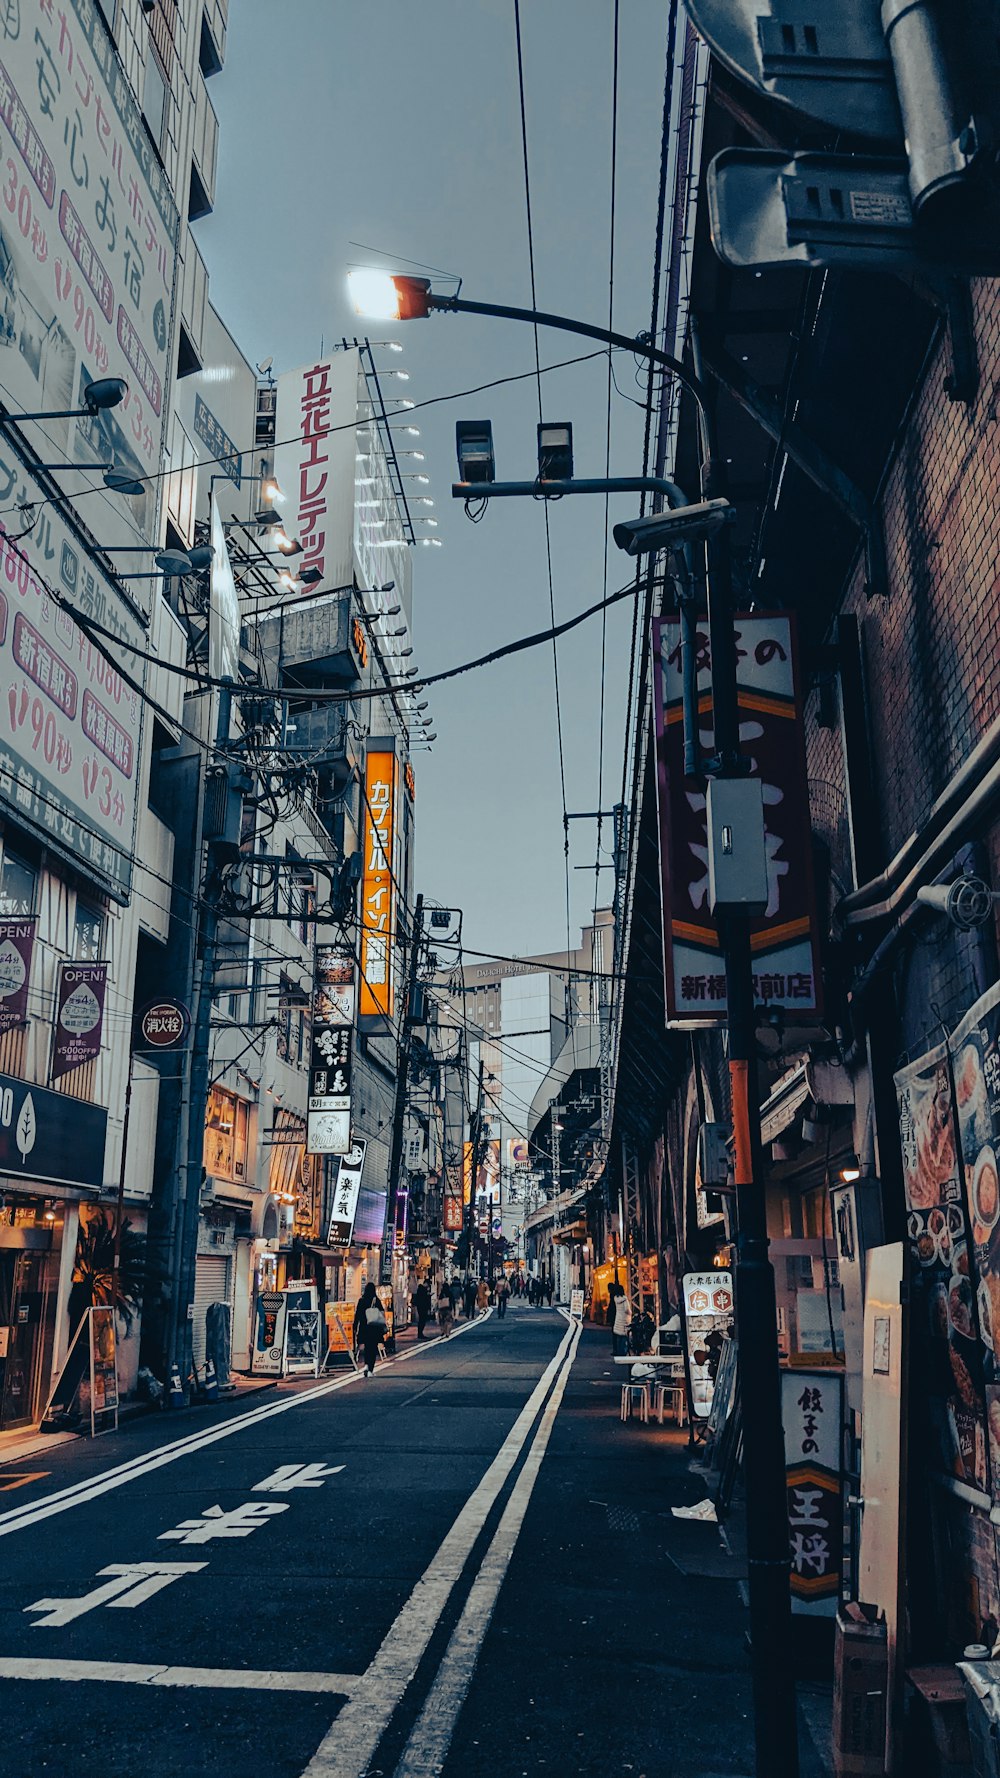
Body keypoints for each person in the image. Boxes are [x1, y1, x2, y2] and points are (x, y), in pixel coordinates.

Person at [354, 1282, 386, 1377]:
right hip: (374, 1329)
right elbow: (382, 1313)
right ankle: (370, 1370)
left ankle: (366, 1365)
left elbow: (358, 1315)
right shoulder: (376, 1301)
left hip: (364, 1328)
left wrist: (355, 1326)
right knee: (373, 1349)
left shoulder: (361, 1300)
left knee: (367, 1348)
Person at [612, 1288, 632, 1357]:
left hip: (618, 1318)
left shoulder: (615, 1299)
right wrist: (630, 1313)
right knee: (624, 1336)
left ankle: (618, 1351)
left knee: (618, 1337)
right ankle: (622, 1352)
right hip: (624, 1319)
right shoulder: (625, 1300)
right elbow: (627, 1310)